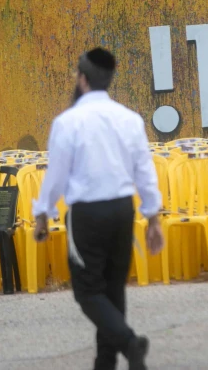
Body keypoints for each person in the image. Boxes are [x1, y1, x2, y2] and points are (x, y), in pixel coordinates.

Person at [33, 47, 165, 370]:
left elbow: (57, 175)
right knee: (113, 287)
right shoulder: (129, 119)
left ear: (81, 79)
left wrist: (42, 213)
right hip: (122, 211)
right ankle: (106, 363)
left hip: (87, 215)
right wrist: (153, 218)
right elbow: (145, 172)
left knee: (88, 292)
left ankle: (130, 343)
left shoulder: (67, 122)